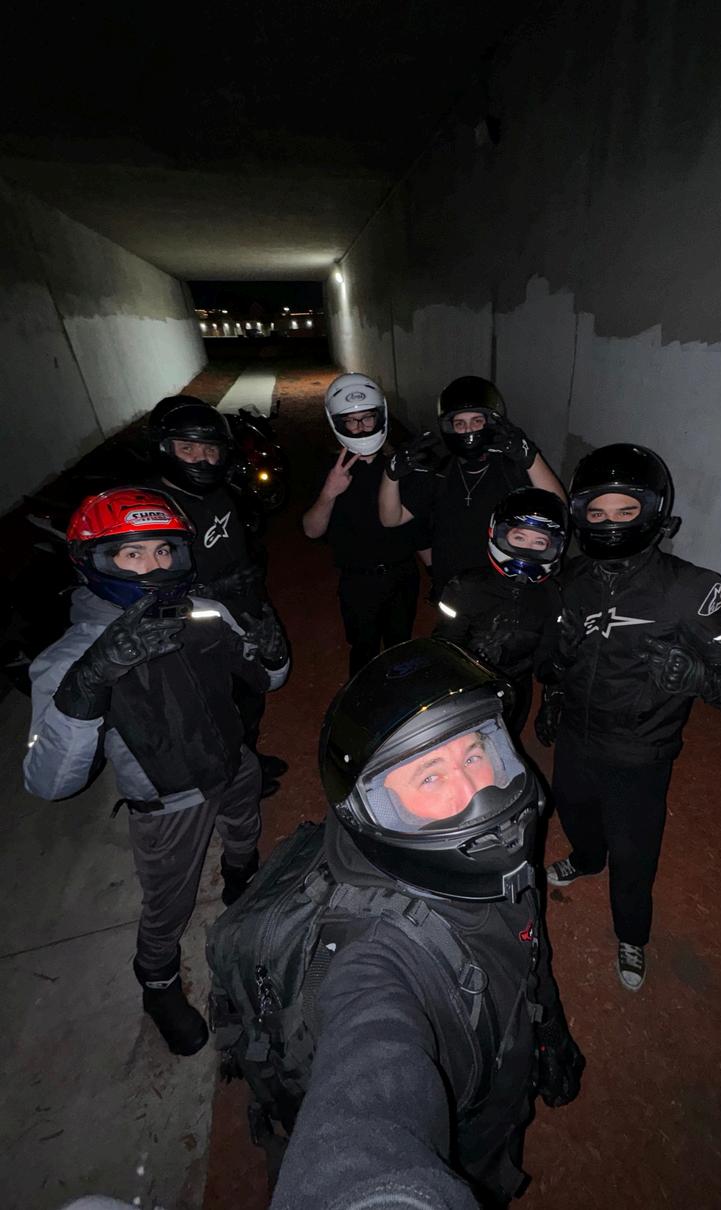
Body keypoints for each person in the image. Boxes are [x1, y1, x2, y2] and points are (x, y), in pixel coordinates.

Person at [269, 638, 584, 1210]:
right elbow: (366, 1091)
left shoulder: (495, 863)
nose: (477, 793)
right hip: (464, 1144)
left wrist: (547, 1032)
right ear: (378, 812)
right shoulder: (374, 959)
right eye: (430, 778)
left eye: (474, 754)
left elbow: (524, 945)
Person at [23, 487, 289, 1056]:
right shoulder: (73, 655)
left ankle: (241, 878)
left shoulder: (201, 611)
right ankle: (157, 982)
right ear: (96, 562)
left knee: (245, 826)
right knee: (169, 903)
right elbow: (49, 782)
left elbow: (268, 678)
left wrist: (271, 651)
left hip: (232, 758)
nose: (154, 567)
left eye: (164, 551)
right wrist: (91, 678)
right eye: (133, 554)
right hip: (167, 802)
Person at [535, 444, 721, 992]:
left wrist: (699, 677)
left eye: (625, 510)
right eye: (596, 512)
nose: (610, 524)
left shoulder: (690, 590)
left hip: (640, 750)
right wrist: (553, 684)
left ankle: (632, 934)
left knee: (635, 851)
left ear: (654, 512)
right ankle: (586, 859)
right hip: (575, 735)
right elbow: (549, 664)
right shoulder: (570, 579)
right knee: (574, 811)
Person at [144, 394, 288, 793]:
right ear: (163, 448)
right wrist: (209, 590)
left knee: (250, 695)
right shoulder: (153, 509)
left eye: (210, 450)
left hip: (240, 615)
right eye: (187, 448)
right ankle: (235, 780)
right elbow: (144, 591)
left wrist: (256, 598)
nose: (202, 460)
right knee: (215, 708)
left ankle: (248, 758)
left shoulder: (219, 493)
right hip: (198, 632)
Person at [378, 376, 565, 599]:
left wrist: (530, 458)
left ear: (491, 422)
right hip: (453, 588)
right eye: (460, 423)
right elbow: (391, 519)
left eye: (477, 420)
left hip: (503, 591)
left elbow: (559, 508)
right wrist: (391, 475)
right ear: (449, 428)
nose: (468, 429)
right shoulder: (440, 472)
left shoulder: (510, 469)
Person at [302, 373, 428, 678]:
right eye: (351, 421)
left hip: (401, 575)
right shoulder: (330, 469)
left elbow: (418, 530)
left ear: (380, 417)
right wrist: (329, 492)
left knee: (400, 647)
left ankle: (399, 700)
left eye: (368, 418)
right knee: (363, 651)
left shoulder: (399, 466)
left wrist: (437, 572)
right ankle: (364, 700)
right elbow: (311, 530)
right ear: (338, 423)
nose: (360, 427)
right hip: (358, 581)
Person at [434, 487, 567, 736]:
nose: (528, 548)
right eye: (520, 538)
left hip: (517, 690)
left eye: (539, 542)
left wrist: (554, 694)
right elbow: (445, 646)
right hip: (467, 688)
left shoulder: (551, 596)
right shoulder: (466, 587)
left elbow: (546, 661)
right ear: (499, 533)